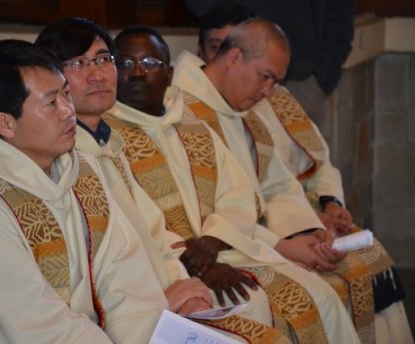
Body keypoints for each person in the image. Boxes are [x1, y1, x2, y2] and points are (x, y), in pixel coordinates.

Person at [34, 17, 290, 343]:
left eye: (102, 60)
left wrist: (186, 284)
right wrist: (166, 299)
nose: (96, 74)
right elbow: (92, 276)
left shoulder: (106, 145)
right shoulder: (61, 164)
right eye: (78, 63)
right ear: (51, 80)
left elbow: (153, 231)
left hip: (161, 294)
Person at [109, 24, 362, 343]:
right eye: (123, 63)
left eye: (149, 64)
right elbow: (132, 219)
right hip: (170, 267)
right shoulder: (107, 137)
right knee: (253, 307)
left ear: (169, 74)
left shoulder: (189, 122)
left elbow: (241, 194)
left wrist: (214, 240)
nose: (136, 74)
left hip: (224, 247)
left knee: (321, 296)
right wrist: (194, 263)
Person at [174, 11, 414, 344]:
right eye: (264, 77)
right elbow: (208, 208)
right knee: (320, 298)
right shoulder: (181, 112)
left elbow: (277, 184)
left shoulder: (246, 108)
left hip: (259, 236)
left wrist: (313, 232)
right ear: (233, 57)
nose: (268, 92)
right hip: (224, 244)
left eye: (275, 82)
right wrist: (284, 246)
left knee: (365, 264)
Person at [0, 39, 169, 343]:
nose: (68, 112)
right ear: (6, 124)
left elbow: (127, 278)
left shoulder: (83, 173)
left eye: (66, 95)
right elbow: (29, 324)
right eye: (51, 103)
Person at [184, 0, 355, 145]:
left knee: (305, 170)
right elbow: (198, 5)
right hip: (233, 77)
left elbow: (339, 14)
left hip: (302, 81)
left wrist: (322, 78)